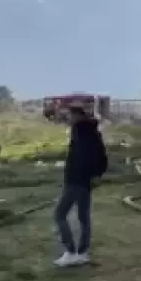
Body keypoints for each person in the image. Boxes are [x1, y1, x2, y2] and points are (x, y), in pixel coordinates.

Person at [54, 105, 108, 268]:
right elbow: (102, 156)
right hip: (85, 180)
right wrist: (97, 175)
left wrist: (83, 176)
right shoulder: (92, 131)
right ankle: (82, 253)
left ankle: (70, 252)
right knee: (83, 217)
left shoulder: (80, 131)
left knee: (60, 214)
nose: (67, 119)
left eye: (69, 115)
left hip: (76, 180)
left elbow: (83, 157)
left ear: (77, 115)